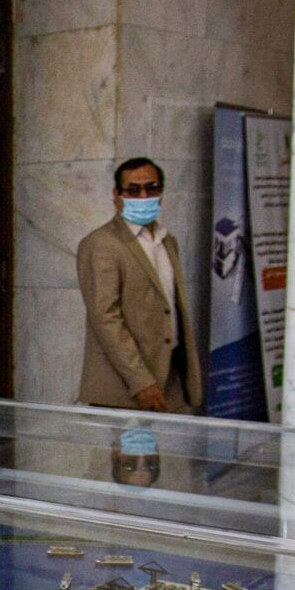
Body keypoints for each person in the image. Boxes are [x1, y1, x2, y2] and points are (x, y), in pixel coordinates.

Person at [76, 157, 202, 416]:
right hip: (125, 388)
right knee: (127, 457)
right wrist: (141, 381)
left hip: (172, 379)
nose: (143, 196)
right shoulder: (102, 244)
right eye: (133, 190)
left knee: (169, 454)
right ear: (117, 195)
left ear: (161, 193)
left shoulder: (167, 241)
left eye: (151, 188)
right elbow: (105, 318)